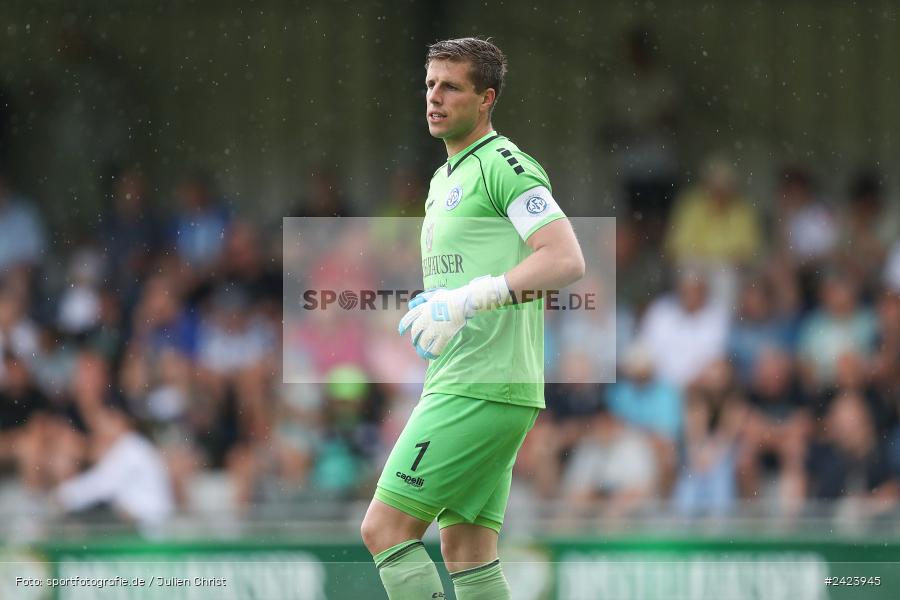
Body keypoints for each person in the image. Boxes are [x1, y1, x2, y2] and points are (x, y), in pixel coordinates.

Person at [360, 37, 585, 600]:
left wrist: (469, 298)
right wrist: (442, 300)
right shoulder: (443, 179)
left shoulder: (505, 165)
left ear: (486, 99)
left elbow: (564, 260)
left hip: (481, 385)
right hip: (475, 383)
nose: (434, 97)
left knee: (385, 529)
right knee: (467, 553)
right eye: (430, 85)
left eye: (450, 86)